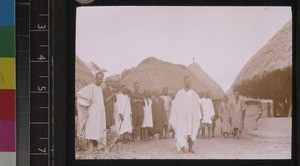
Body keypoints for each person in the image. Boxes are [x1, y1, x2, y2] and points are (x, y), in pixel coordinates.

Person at [75, 71, 106, 152]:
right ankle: (90, 146)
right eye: (98, 78)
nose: (100, 80)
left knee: (98, 128)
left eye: (101, 79)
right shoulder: (91, 87)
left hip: (100, 113)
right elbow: (78, 94)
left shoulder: (100, 89)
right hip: (93, 112)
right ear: (95, 78)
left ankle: (97, 145)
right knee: (91, 127)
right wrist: (88, 99)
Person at [169, 76, 201, 153]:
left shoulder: (194, 94)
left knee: (191, 130)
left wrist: (198, 115)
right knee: (181, 131)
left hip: (191, 116)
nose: (188, 83)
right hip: (182, 117)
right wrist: (176, 116)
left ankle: (190, 147)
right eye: (186, 81)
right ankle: (182, 147)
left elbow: (197, 105)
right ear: (184, 82)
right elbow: (175, 105)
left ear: (191, 82)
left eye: (189, 81)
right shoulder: (179, 93)